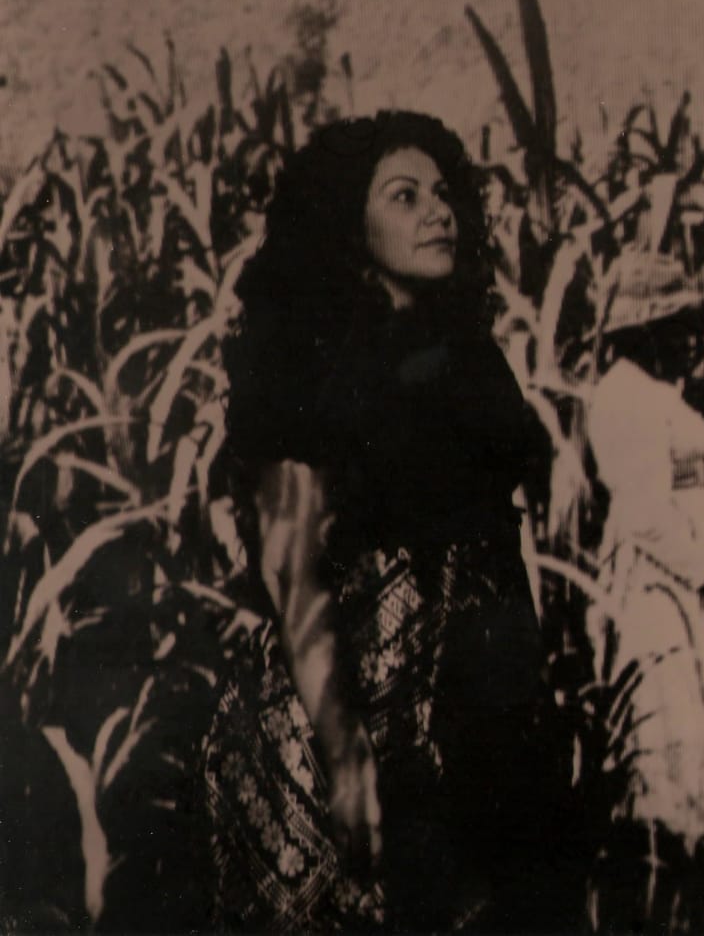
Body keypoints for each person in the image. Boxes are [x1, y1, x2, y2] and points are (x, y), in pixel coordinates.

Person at [203, 111, 565, 931]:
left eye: (444, 194)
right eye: (405, 197)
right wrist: (344, 754)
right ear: (346, 224)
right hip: (357, 711)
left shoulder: (473, 360)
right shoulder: (307, 364)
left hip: (480, 706)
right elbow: (291, 570)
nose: (438, 212)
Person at [584, 250, 704, 925]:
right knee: (674, 714)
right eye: (675, 327)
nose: (689, 341)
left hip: (698, 577)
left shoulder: (656, 391)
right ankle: (673, 870)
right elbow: (643, 515)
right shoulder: (621, 397)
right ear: (643, 331)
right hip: (663, 586)